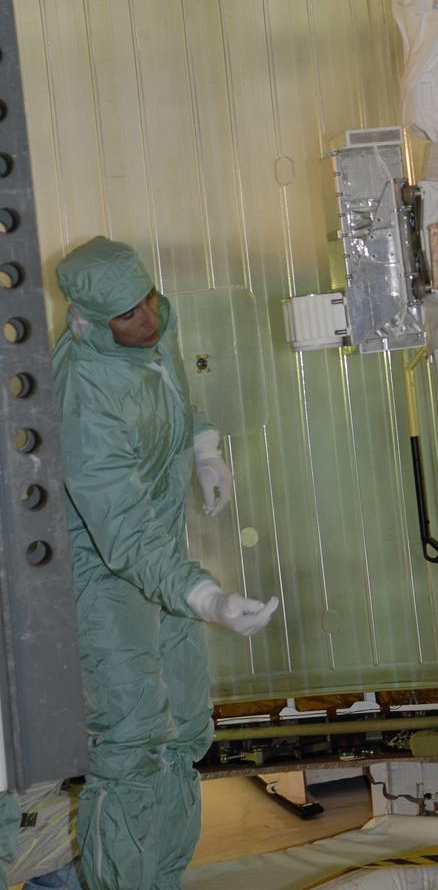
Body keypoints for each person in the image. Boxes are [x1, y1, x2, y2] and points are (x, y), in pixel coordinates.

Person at [52, 237, 279, 890]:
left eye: (148, 297)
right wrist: (207, 598)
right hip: (105, 579)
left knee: (183, 732)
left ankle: (163, 879)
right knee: (131, 746)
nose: (148, 318)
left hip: (163, 564)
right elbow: (122, 535)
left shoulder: (150, 327)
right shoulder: (83, 392)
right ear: (90, 320)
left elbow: (173, 384)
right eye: (128, 313)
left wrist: (204, 448)